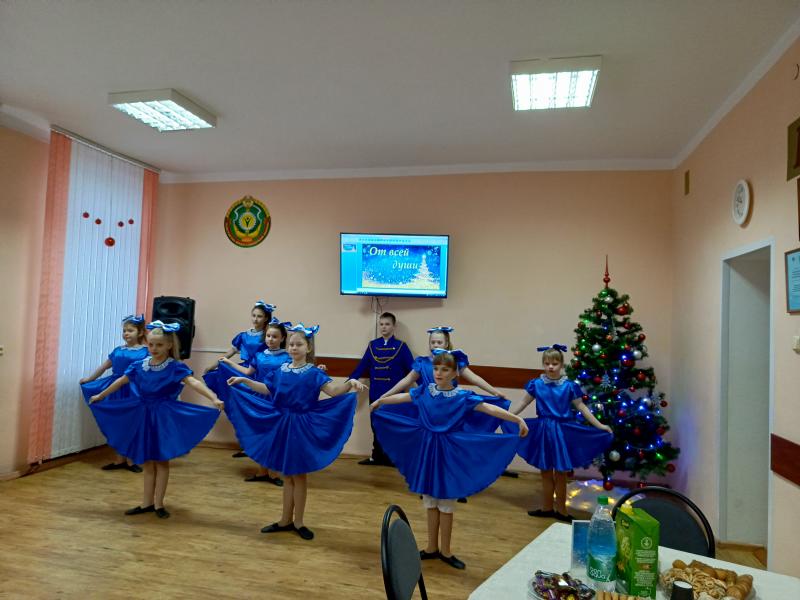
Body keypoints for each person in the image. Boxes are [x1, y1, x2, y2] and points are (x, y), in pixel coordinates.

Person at [371, 350, 528, 570]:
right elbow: (403, 397)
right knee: (430, 502)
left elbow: (489, 408)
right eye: (436, 368)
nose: (438, 373)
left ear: (455, 373)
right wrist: (380, 401)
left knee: (446, 504)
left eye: (445, 369)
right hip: (428, 451)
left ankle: (446, 550)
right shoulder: (425, 391)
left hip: (449, 454)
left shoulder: (463, 397)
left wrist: (516, 418)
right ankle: (431, 547)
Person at [225, 324, 366, 540]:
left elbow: (333, 391)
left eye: (298, 344)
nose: (293, 348)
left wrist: (350, 383)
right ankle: (285, 520)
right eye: (291, 344)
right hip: (283, 424)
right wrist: (244, 380)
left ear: (308, 347)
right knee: (287, 475)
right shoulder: (281, 370)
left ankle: (298, 521)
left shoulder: (314, 373)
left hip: (301, 426)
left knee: (298, 475)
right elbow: (267, 389)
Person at [89, 321, 223, 519]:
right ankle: (146, 503)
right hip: (143, 415)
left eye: (159, 345)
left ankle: (159, 504)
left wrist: (213, 397)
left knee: (161, 461)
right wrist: (101, 395)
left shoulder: (175, 367)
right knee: (147, 462)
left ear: (169, 345)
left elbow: (193, 382)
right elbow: (121, 380)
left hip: (163, 417)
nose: (154, 348)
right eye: (151, 344)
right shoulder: (140, 365)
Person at [513, 344, 613, 523]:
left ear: (561, 365)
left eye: (555, 363)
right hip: (543, 432)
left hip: (561, 433)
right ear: (543, 364)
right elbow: (523, 402)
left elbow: (582, 407)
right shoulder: (536, 384)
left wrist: (599, 425)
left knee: (560, 473)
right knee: (545, 472)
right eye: (547, 363)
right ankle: (546, 507)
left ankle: (562, 510)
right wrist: (509, 416)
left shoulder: (569, 386)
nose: (551, 367)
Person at [220, 317, 292, 485]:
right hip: (259, 399)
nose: (270, 339)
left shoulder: (287, 357)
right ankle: (262, 472)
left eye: (275, 336)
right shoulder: (258, 355)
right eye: (268, 336)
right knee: (261, 435)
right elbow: (247, 372)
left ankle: (274, 474)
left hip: (277, 400)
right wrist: (228, 362)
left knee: (275, 437)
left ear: (282, 338)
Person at [79, 314, 149, 472]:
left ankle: (131, 460)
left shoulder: (146, 352)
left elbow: (150, 371)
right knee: (118, 424)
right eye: (124, 330)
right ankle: (119, 460)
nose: (126, 333)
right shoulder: (118, 350)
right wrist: (90, 379)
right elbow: (104, 367)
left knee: (132, 424)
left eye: (130, 330)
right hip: (114, 389)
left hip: (133, 391)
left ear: (139, 333)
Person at [203, 301, 273, 457]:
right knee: (243, 410)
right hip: (243, 372)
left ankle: (261, 447)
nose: (255, 319)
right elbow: (228, 354)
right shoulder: (243, 336)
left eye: (259, 316)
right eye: (253, 315)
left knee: (260, 412)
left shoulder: (268, 336)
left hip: (260, 376)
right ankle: (247, 446)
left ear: (266, 318)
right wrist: (212, 365)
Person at [347, 312, 413, 466]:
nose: (384, 327)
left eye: (387, 324)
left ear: (394, 326)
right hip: (376, 392)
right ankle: (376, 456)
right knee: (375, 425)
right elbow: (362, 366)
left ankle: (394, 458)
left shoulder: (401, 347)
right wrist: (351, 380)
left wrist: (427, 386)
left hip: (394, 395)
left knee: (393, 426)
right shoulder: (373, 345)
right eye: (381, 324)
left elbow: (413, 371)